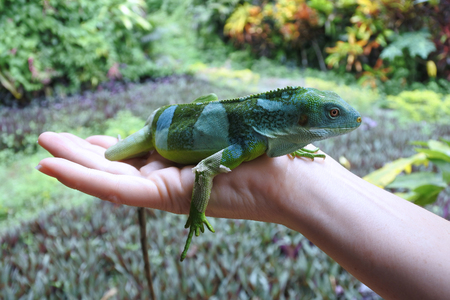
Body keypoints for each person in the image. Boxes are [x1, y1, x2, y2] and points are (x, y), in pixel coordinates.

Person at [37, 131, 450, 300]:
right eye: (331, 119)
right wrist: (196, 212)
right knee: (108, 155)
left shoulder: (269, 141)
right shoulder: (247, 140)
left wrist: (302, 173)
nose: (350, 124)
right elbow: (203, 169)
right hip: (160, 128)